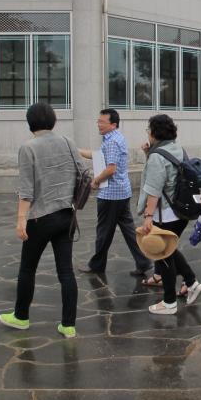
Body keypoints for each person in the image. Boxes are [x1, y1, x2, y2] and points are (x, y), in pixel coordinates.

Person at [0, 102, 86, 339]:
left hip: (40, 218)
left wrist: (20, 220)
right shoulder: (68, 142)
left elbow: (26, 190)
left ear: (30, 122)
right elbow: (83, 172)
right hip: (66, 215)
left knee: (28, 269)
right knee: (66, 272)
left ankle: (21, 317)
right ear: (53, 120)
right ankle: (68, 325)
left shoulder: (28, 148)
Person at [136, 114, 201, 314]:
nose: (148, 133)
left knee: (163, 254)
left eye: (149, 130)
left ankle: (169, 302)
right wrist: (149, 153)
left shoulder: (157, 156)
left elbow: (154, 189)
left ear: (154, 132)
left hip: (164, 214)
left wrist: (148, 216)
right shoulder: (177, 149)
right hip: (181, 211)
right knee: (170, 250)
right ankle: (191, 282)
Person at [77, 109, 152, 277]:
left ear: (113, 125)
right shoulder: (115, 138)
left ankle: (97, 265)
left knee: (104, 231)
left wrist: (96, 181)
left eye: (102, 122)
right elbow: (98, 156)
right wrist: (78, 151)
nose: (98, 124)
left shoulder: (112, 142)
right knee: (128, 231)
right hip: (121, 193)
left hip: (111, 194)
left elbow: (111, 169)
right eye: (98, 121)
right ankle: (143, 261)